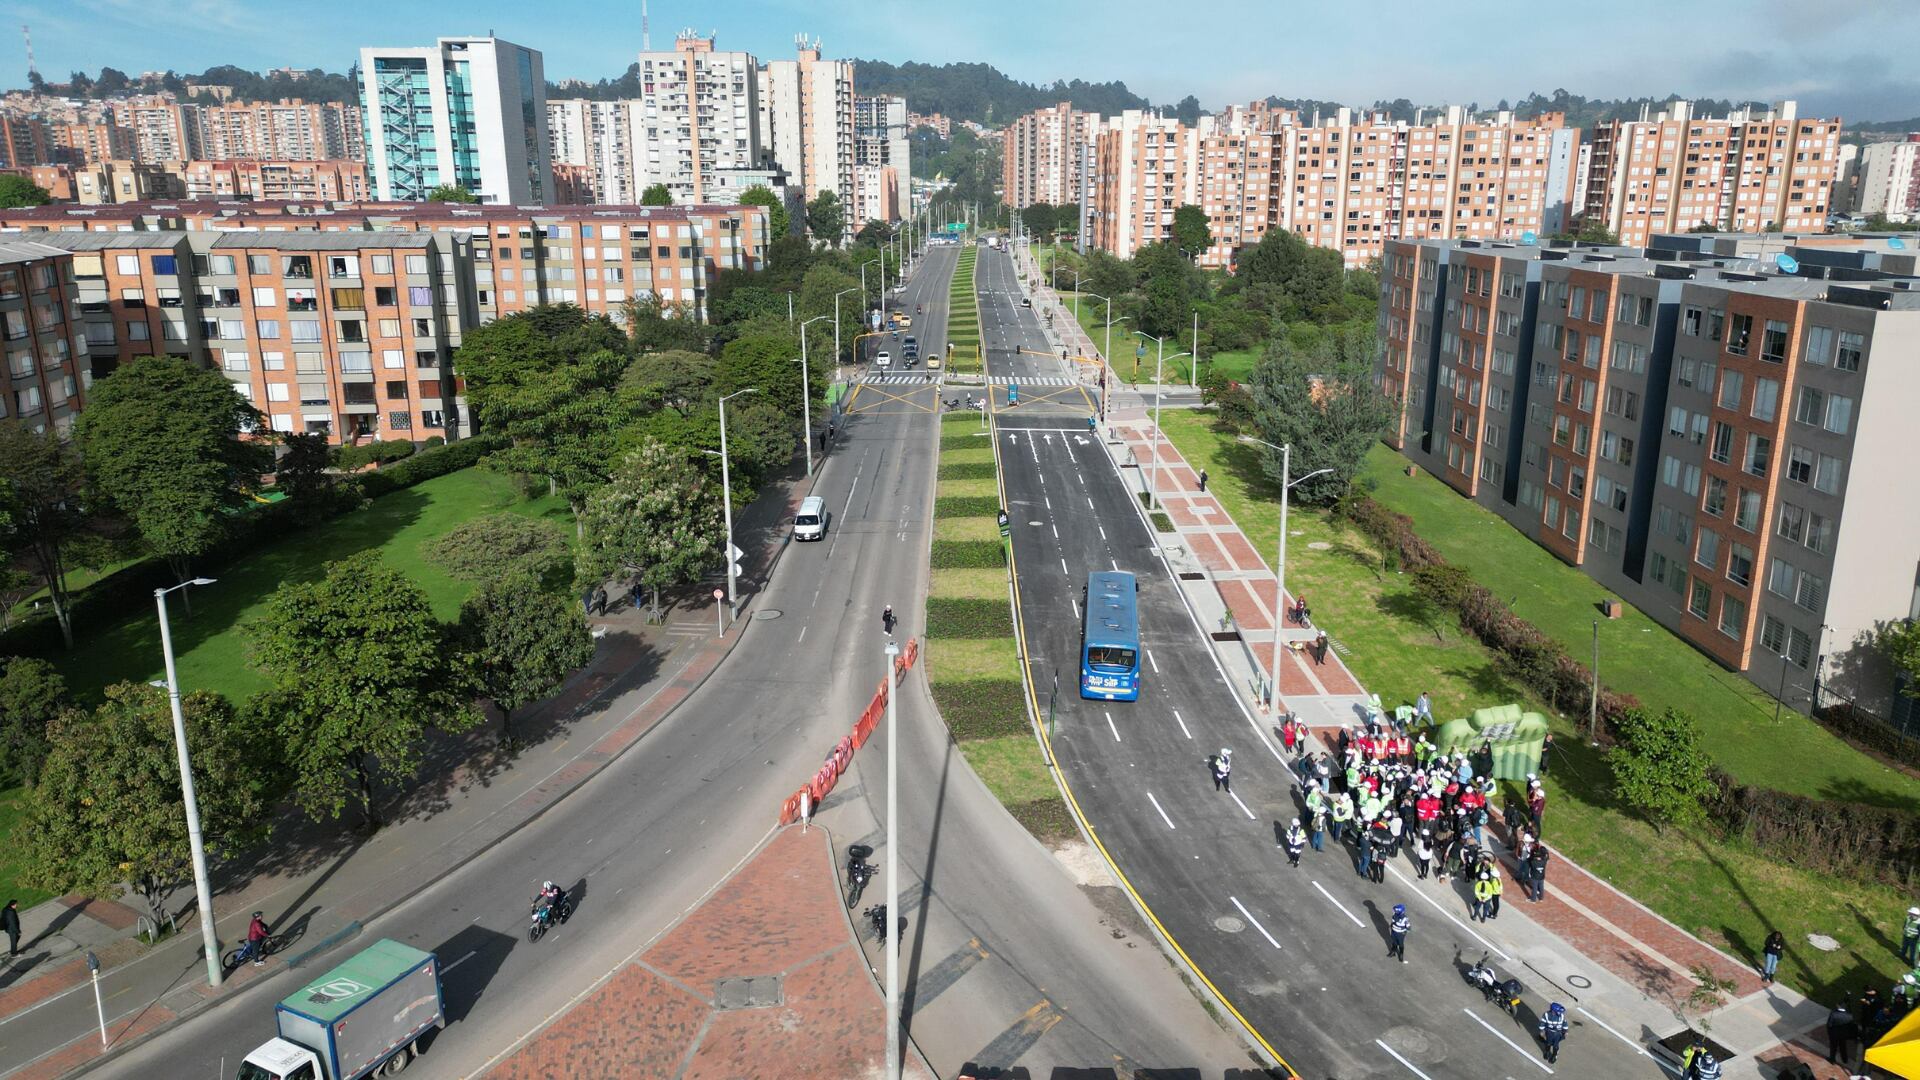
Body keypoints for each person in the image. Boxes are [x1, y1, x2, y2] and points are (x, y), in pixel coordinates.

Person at [1828, 1000, 1859, 1065]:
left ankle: (1832, 1060)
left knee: (1833, 1047)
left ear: (1839, 1006)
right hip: (1844, 1035)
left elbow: (1829, 1025)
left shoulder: (1833, 1014)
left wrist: (1830, 1033)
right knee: (1843, 1047)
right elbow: (1851, 1026)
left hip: (1835, 1034)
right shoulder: (1850, 1016)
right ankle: (1845, 1059)